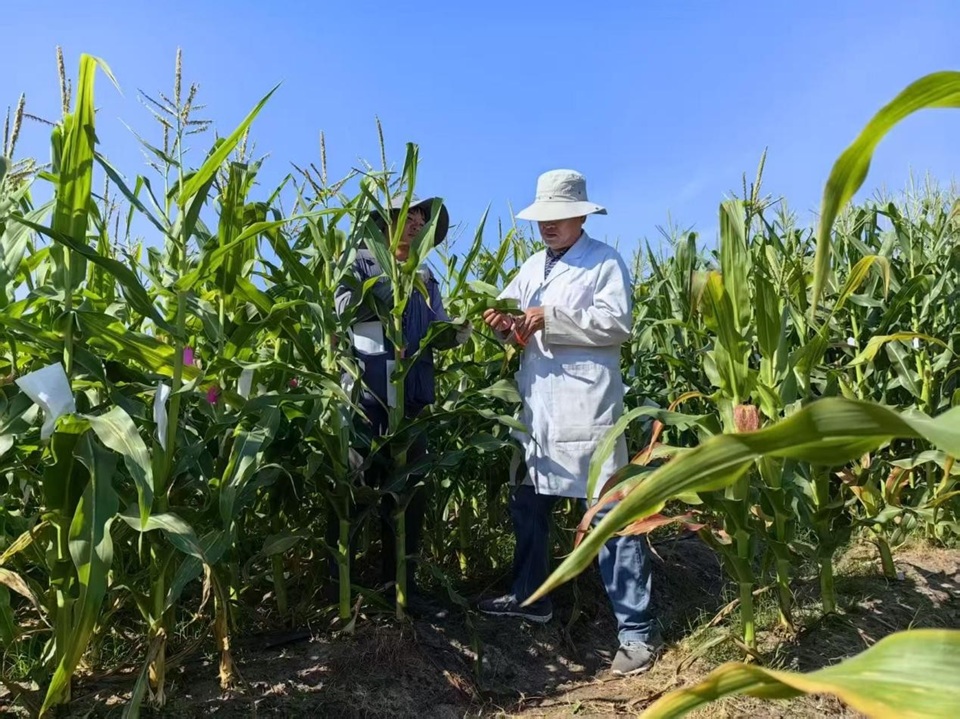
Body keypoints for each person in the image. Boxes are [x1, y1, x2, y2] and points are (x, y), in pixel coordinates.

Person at [478, 169, 660, 675]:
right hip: (539, 411)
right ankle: (530, 599)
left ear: (581, 215)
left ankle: (637, 633)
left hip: (587, 409)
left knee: (609, 517)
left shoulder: (603, 261)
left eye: (558, 217)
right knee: (528, 505)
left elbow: (618, 324)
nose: (548, 225)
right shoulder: (530, 267)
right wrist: (505, 326)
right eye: (543, 218)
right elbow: (517, 330)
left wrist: (551, 317)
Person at [331, 192, 470, 617]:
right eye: (409, 217)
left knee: (408, 497)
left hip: (410, 405)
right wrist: (391, 284)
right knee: (355, 494)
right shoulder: (358, 263)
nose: (416, 224)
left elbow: (435, 327)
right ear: (384, 223)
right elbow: (343, 309)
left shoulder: (426, 276)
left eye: (422, 220)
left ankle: (403, 589)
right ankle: (342, 594)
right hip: (364, 400)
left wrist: (455, 331)